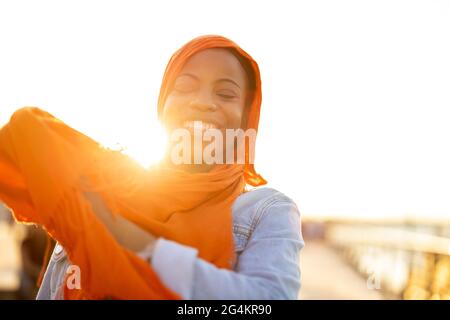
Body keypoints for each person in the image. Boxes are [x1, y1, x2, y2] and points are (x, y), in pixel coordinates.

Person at [0, 35, 304, 300]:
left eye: (225, 94)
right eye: (184, 87)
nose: (202, 102)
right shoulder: (103, 191)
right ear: (163, 104)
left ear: (246, 116)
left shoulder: (267, 211)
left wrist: (140, 245)